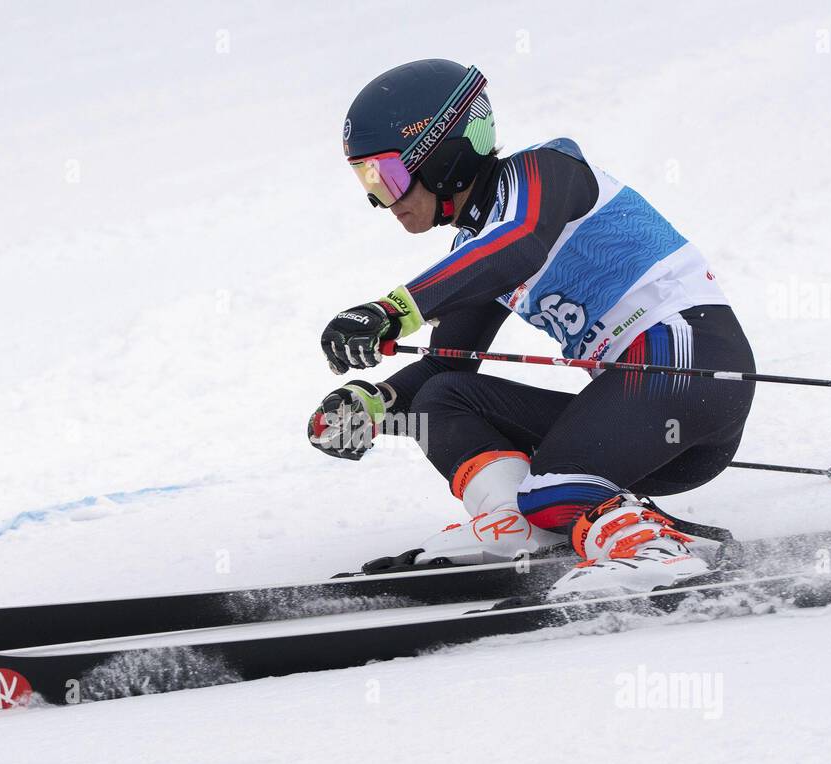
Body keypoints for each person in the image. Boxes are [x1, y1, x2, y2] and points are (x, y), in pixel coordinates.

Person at [307, 59, 756, 597]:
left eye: (388, 175)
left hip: (690, 358)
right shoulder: (474, 251)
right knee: (444, 397)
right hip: (645, 420)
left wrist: (394, 309)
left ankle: (658, 551)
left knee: (556, 487)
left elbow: (522, 241)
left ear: (445, 154)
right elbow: (447, 363)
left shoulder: (545, 171)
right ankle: (520, 527)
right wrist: (371, 402)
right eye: (368, 182)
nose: (383, 200)